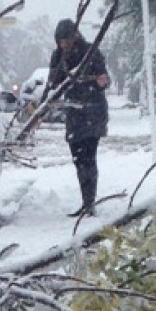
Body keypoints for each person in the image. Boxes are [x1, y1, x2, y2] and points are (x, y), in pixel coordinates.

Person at [47, 18, 109, 217]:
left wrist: (100, 81)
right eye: (60, 41)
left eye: (67, 40)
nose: (63, 44)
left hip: (92, 110)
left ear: (75, 36)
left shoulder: (90, 52)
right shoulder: (57, 57)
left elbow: (104, 78)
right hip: (74, 113)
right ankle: (86, 200)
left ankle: (89, 202)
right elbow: (52, 84)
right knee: (78, 158)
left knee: (88, 158)